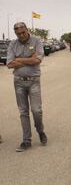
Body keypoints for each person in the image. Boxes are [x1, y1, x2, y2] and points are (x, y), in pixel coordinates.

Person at [6, 22, 47, 152]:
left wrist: (19, 59)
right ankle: (26, 140)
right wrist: (29, 58)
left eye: (23, 32)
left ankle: (40, 131)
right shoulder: (13, 44)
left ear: (27, 30)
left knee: (36, 110)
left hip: (33, 81)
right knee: (23, 112)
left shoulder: (36, 41)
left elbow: (37, 60)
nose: (21, 35)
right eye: (18, 33)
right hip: (18, 82)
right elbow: (9, 64)